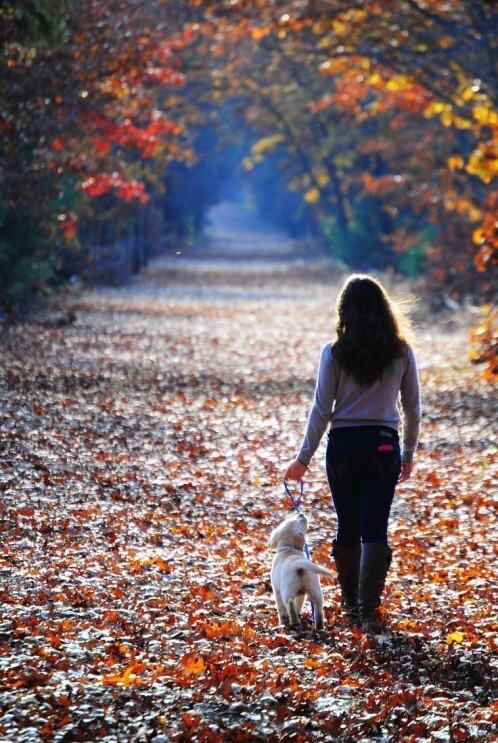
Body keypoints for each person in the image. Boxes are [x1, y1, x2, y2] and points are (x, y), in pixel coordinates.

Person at [284, 274, 421, 632]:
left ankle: (348, 605)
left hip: (343, 447)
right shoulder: (401, 351)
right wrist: (407, 452)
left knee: (348, 525)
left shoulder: (333, 352)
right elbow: (412, 409)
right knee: (375, 527)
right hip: (383, 444)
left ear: (344, 310)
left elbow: (321, 409)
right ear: (384, 310)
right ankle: (368, 608)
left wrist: (303, 458)